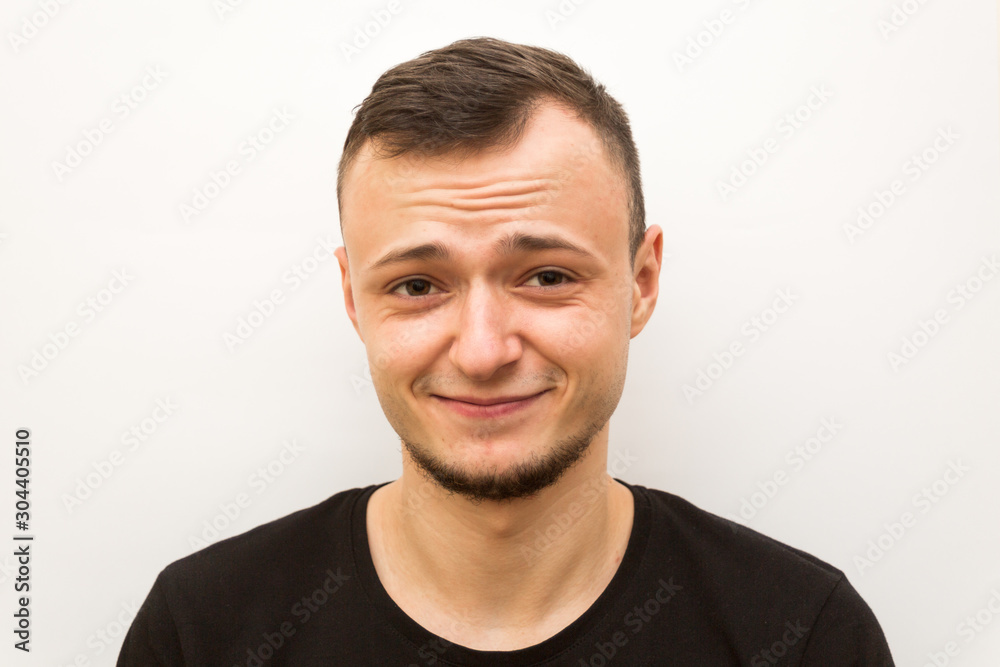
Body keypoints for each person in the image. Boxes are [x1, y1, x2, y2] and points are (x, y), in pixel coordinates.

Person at [118, 37, 895, 665]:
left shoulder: (802, 636)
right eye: (419, 285)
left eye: (547, 276)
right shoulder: (202, 632)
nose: (484, 350)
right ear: (354, 299)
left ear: (643, 281)